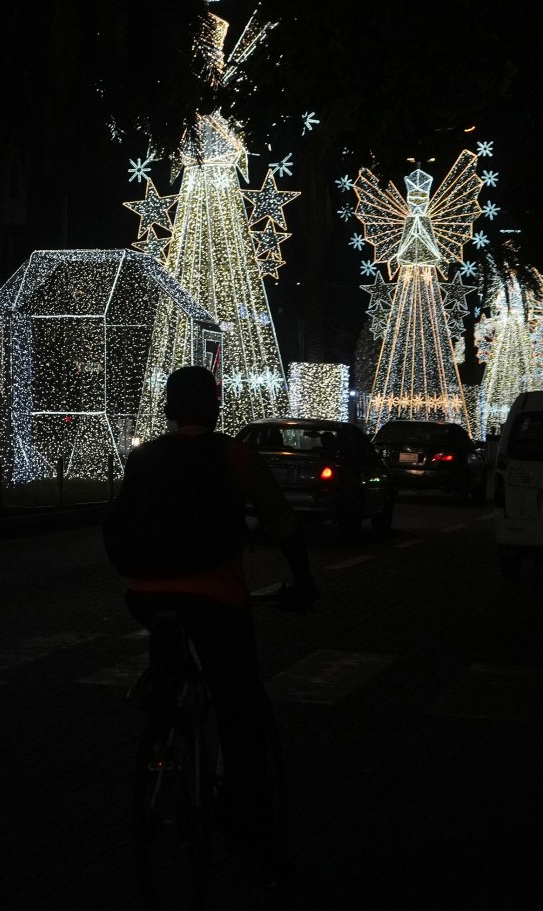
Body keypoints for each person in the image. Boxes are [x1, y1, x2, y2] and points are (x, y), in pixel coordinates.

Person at [102, 366, 318, 884]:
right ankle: (256, 843)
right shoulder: (234, 455)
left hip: (146, 595)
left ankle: (164, 729)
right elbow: (281, 522)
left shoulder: (143, 457)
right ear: (215, 408)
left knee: (171, 667)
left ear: (170, 410)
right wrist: (304, 582)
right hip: (216, 600)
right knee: (240, 712)